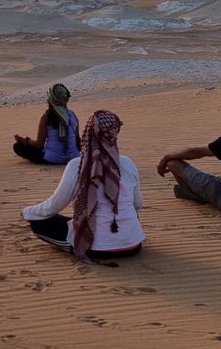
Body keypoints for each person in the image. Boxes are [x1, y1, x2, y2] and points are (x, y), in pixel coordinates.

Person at [21, 110, 145, 261]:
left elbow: (54, 206)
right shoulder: (127, 163)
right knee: (127, 209)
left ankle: (85, 241)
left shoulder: (76, 165)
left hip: (94, 249)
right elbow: (137, 204)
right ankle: (122, 237)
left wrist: (28, 212)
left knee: (39, 221)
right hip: (133, 246)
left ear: (88, 132)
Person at [13, 84, 80, 165]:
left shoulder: (46, 117)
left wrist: (24, 140)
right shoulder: (72, 114)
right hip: (73, 158)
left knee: (17, 146)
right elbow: (77, 140)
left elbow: (39, 144)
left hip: (52, 159)